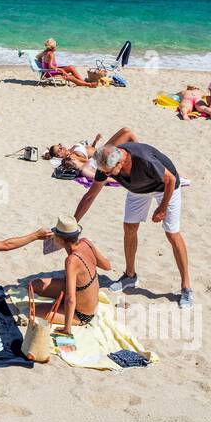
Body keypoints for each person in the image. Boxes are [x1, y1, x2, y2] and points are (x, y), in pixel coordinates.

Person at [74, 126, 193, 307]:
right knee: (129, 227)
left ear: (120, 163)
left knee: (172, 233)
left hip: (165, 188)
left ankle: (186, 287)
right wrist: (73, 222)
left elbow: (171, 180)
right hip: (137, 189)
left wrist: (162, 207)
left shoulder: (144, 160)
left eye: (108, 172)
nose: (104, 175)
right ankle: (130, 275)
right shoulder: (105, 163)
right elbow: (90, 195)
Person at [30, 216, 110, 329]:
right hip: (83, 297)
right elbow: (107, 266)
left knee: (34, 310)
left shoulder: (71, 261)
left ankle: (71, 320)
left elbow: (70, 299)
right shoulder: (86, 242)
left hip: (82, 315)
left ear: (60, 239)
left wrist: (67, 329)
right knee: (34, 285)